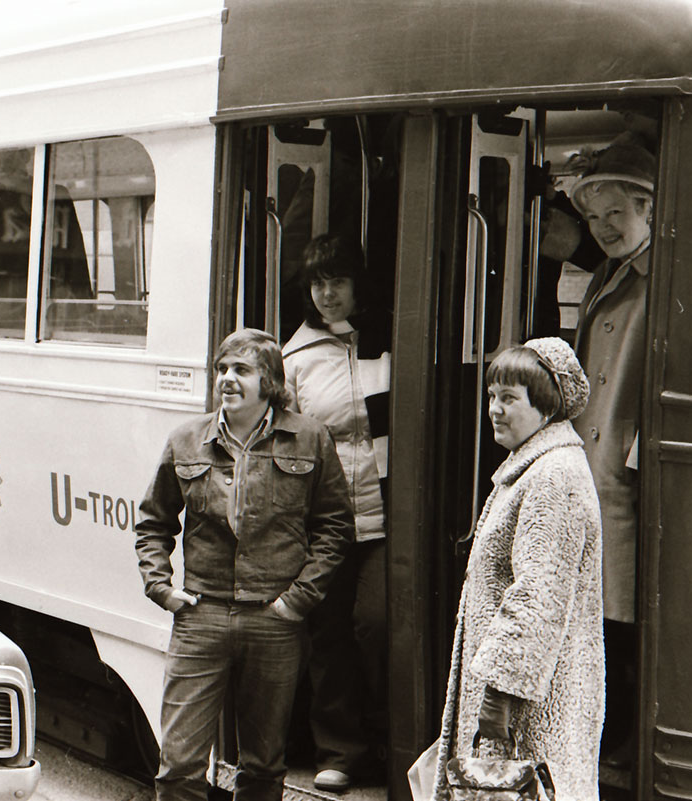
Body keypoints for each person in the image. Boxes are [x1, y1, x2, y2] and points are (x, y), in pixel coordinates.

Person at [135, 328, 355, 801]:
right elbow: (153, 523)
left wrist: (296, 601)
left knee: (262, 767)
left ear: (269, 381)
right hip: (201, 615)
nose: (227, 379)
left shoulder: (309, 438)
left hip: (273, 619)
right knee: (178, 765)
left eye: (241, 370)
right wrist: (162, 588)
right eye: (222, 369)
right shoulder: (186, 440)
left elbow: (335, 527)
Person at [432, 337, 604, 801]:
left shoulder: (553, 476)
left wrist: (498, 696)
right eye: (492, 396)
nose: (494, 409)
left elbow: (536, 595)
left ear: (547, 407)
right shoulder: (536, 466)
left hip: (524, 707)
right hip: (522, 697)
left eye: (509, 398)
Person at [281, 233, 390, 792]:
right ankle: (340, 751)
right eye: (318, 284)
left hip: (385, 517)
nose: (327, 294)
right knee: (329, 634)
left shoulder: (386, 342)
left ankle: (389, 738)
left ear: (357, 285)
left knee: (377, 624)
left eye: (338, 282)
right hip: (325, 521)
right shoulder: (295, 358)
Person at [568, 140, 655, 757]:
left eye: (616, 214)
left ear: (648, 207)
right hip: (597, 464)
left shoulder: (662, 274)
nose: (602, 229)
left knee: (620, 611)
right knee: (602, 606)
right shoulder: (612, 272)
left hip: (621, 468)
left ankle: (618, 736)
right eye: (595, 218)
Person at [0, 148, 92, 301]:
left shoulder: (54, 195)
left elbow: (74, 249)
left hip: (47, 297)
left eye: (8, 160)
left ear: (25, 157)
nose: (2, 167)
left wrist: (80, 298)